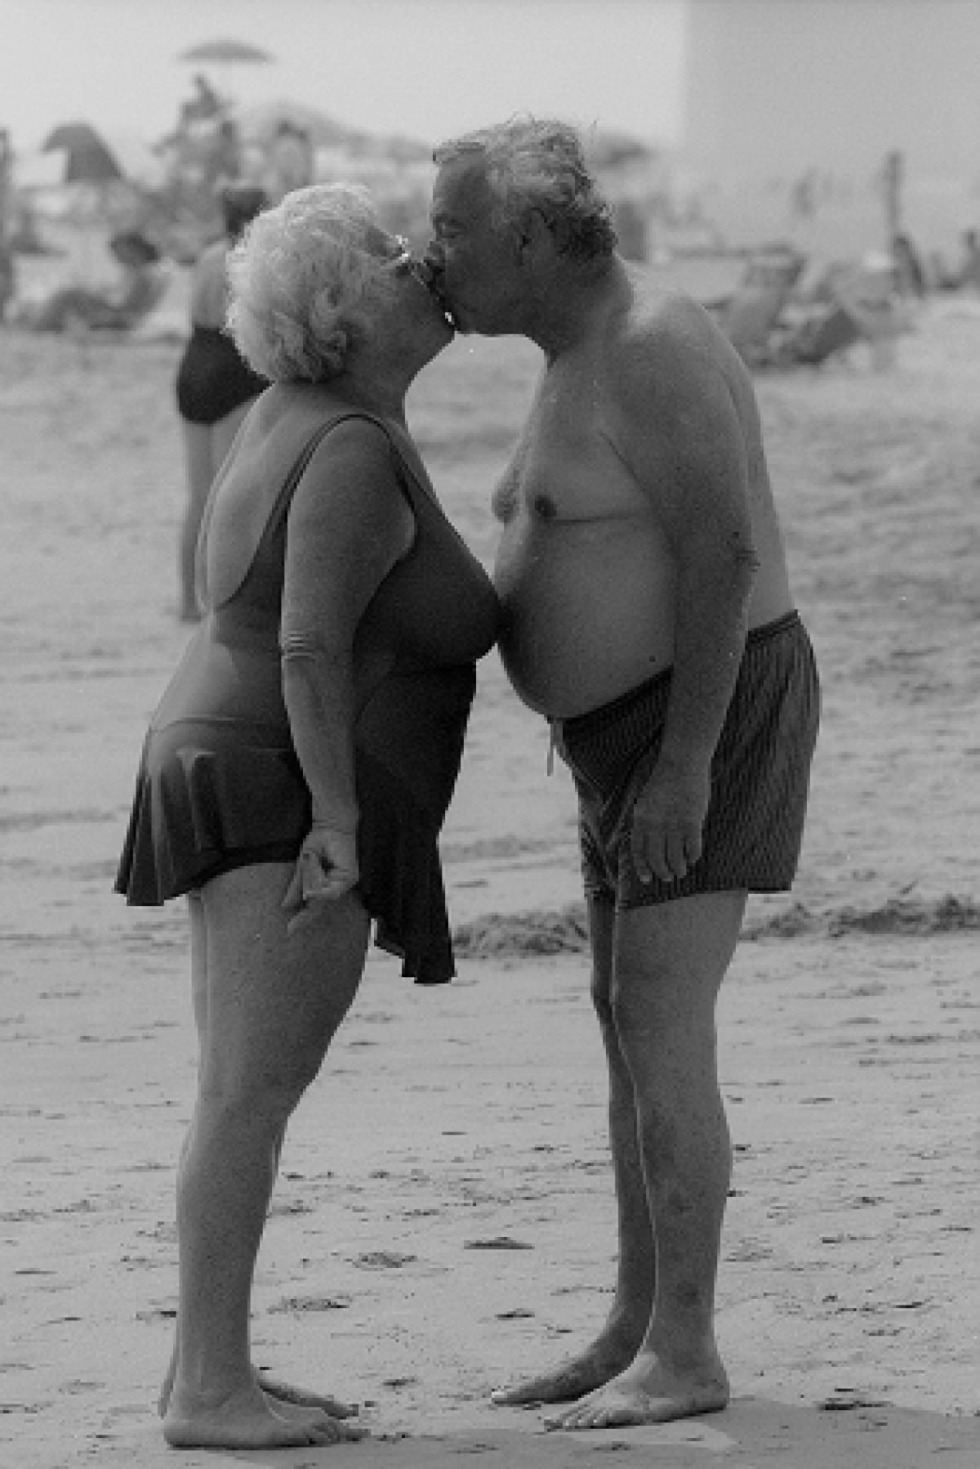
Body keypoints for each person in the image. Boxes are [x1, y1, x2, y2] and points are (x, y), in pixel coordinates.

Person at [424, 118, 820, 1430]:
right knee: (625, 1029)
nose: (437, 257)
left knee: (662, 1027)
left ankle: (688, 1350)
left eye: (453, 231)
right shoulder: (580, 347)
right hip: (631, 737)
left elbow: (718, 557)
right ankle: (636, 1323)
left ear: (528, 238)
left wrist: (686, 764)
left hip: (697, 720)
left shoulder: (646, 348)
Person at [115, 182, 500, 1449]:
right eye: (392, 256)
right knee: (247, 1094)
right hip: (274, 776)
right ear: (344, 309)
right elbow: (304, 647)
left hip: (230, 752)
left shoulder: (307, 415)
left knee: (238, 1089)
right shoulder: (339, 442)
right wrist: (338, 817)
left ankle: (208, 1373)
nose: (419, 260)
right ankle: (211, 1392)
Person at [174, 184, 269, 622]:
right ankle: (219, 602)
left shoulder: (209, 257)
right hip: (232, 368)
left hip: (193, 364)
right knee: (227, 494)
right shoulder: (253, 261)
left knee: (197, 495)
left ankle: (187, 602)